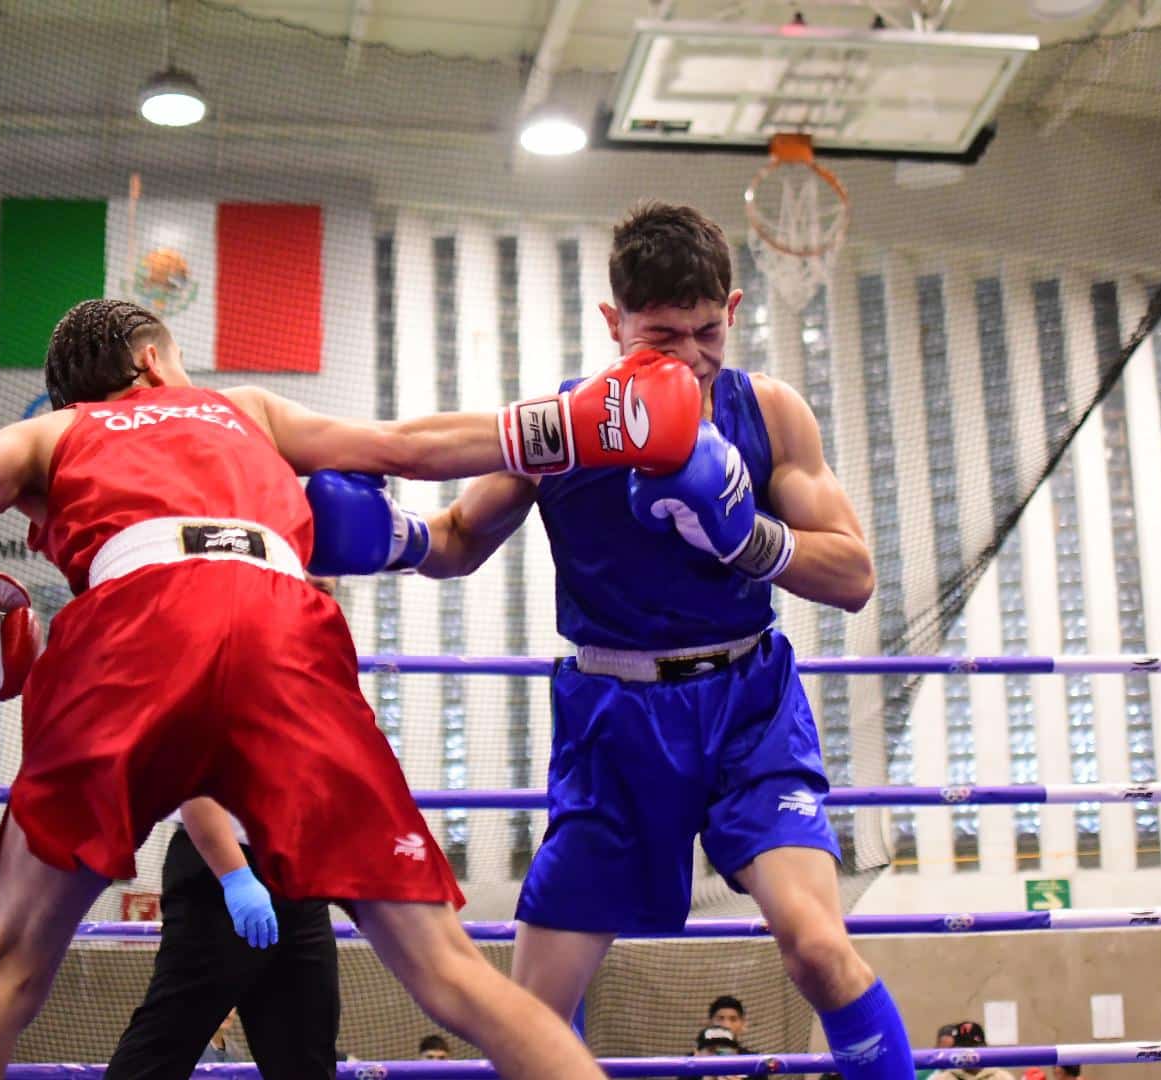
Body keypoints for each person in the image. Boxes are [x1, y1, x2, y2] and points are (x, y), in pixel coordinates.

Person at [0, 297, 702, 1080]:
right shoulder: (241, 408)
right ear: (151, 360)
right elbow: (408, 448)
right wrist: (569, 425)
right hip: (279, 623)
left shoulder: (57, 430)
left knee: (10, 975)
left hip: (127, 635)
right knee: (450, 970)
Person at [304, 200, 908, 1080]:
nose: (693, 359)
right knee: (531, 1014)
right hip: (613, 723)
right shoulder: (562, 425)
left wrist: (747, 537)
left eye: (709, 332)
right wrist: (390, 540)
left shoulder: (768, 411)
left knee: (817, 949)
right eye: (663, 337)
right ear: (613, 322)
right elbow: (462, 539)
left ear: (734, 313)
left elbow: (854, 575)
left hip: (749, 709)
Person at [105, 798, 338, 1079]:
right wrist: (234, 876)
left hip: (303, 875)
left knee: (306, 1055)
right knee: (166, 1041)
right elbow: (198, 776)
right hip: (223, 863)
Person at [924, 1022, 1013, 1080]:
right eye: (963, 1047)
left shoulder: (1003, 1078)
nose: (969, 1053)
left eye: (973, 1046)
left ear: (984, 1047)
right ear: (955, 1049)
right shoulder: (942, 1079)